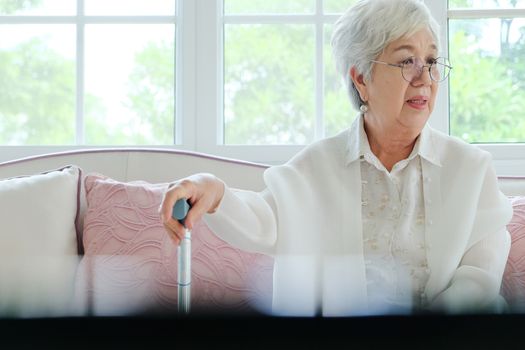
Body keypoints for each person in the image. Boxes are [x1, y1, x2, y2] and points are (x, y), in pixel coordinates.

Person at [159, 0, 512, 316]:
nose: (425, 79)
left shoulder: (471, 169)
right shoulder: (316, 167)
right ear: (361, 79)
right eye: (407, 61)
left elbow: (479, 276)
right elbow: (266, 220)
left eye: (432, 61)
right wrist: (214, 189)